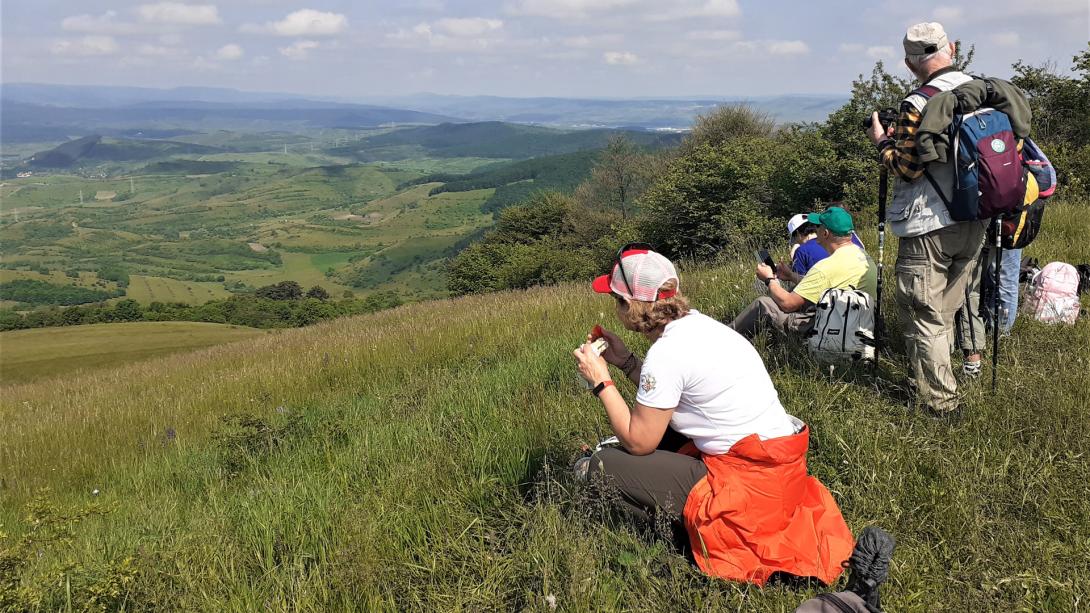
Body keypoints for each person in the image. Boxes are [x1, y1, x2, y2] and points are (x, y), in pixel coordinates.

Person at [571, 243, 854, 586]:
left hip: (747, 490)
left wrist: (601, 381)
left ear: (632, 305)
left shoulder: (668, 352)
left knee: (600, 465)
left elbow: (639, 441)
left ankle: (686, 536)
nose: (616, 309)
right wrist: (627, 362)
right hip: (777, 473)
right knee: (658, 440)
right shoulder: (701, 326)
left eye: (617, 301)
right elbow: (671, 395)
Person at [867, 22, 984, 418]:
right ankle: (945, 379)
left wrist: (882, 141)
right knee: (946, 311)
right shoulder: (982, 93)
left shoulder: (919, 103)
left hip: (929, 224)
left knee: (925, 315)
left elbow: (908, 167)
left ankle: (941, 406)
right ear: (951, 47)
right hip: (976, 219)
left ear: (908, 63)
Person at [730, 207, 877, 339]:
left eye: (817, 227)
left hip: (832, 329)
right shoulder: (863, 256)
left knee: (763, 304)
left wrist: (769, 279)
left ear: (825, 233)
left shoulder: (826, 267)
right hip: (862, 323)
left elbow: (788, 304)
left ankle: (723, 340)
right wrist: (791, 276)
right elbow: (825, 285)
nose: (815, 230)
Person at [955, 244, 1023, 377]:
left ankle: (996, 337)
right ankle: (997, 336)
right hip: (1011, 227)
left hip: (995, 227)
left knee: (975, 282)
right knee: (1004, 278)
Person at [781, 212, 867, 284]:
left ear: (798, 233)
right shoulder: (851, 241)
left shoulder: (802, 251)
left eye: (794, 238)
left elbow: (801, 285)